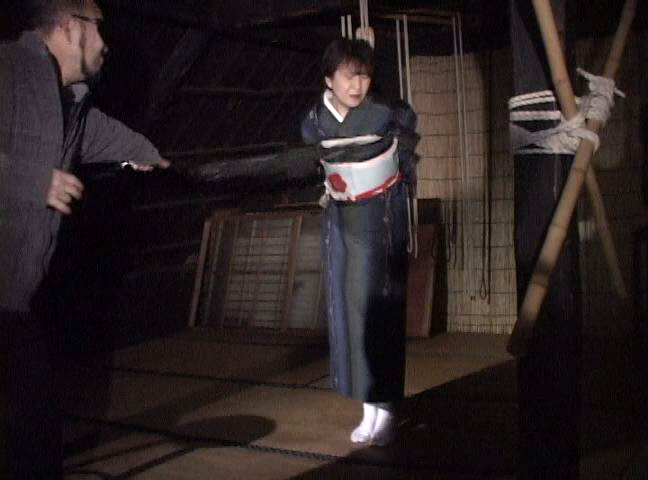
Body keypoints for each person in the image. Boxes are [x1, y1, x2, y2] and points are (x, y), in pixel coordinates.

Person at [0, 0, 170, 477]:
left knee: (33, 438)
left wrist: (149, 154)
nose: (106, 43)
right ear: (71, 28)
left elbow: (101, 135)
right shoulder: (7, 70)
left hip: (13, 303)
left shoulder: (72, 105)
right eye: (99, 28)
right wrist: (34, 181)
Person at [301, 38, 418, 446]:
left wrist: (402, 171)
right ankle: (367, 407)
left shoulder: (384, 113)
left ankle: (386, 407)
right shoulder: (315, 121)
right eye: (349, 76)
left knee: (379, 309)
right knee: (350, 312)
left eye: (364, 76)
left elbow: (408, 138)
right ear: (328, 79)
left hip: (380, 217)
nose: (357, 85)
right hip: (342, 220)